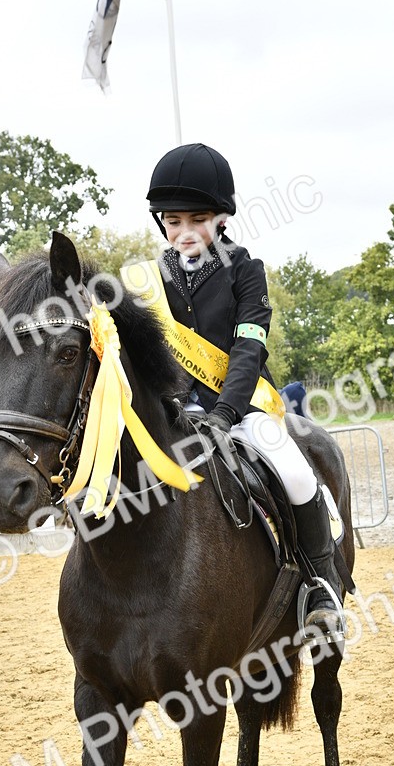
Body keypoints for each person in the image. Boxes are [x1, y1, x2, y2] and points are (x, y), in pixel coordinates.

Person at [145, 143, 342, 633]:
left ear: (221, 219)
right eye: (172, 221)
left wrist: (226, 414)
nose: (183, 231)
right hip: (173, 411)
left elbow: (248, 350)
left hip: (245, 405)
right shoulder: (151, 280)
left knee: (296, 474)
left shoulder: (246, 271)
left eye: (197, 219)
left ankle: (322, 586)